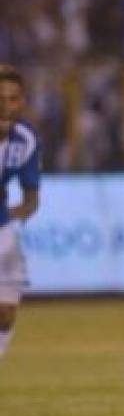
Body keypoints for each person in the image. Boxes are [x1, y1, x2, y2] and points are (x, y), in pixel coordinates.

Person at [0, 66, 41, 360]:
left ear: (22, 103)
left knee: (6, 314)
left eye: (12, 99)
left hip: (2, 230)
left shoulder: (26, 140)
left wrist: (11, 212)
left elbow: (31, 201)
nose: (5, 105)